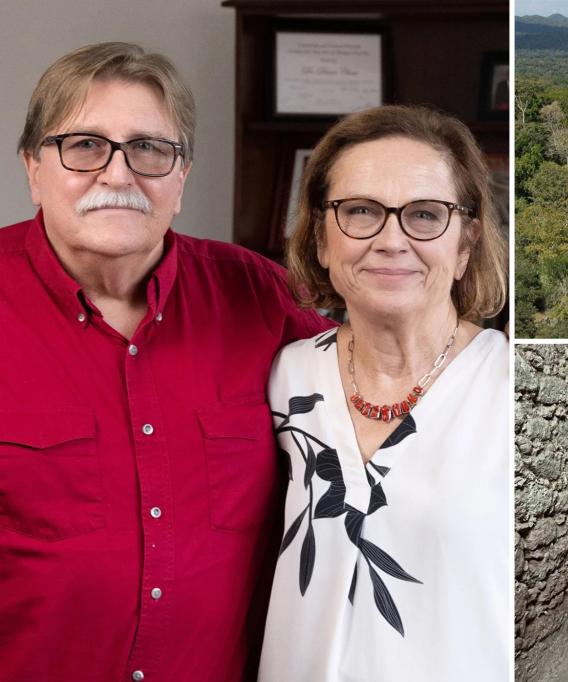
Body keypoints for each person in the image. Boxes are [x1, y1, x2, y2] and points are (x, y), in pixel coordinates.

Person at [0, 43, 332, 682]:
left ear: (180, 178)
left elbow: (391, 382)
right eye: (85, 145)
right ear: (33, 168)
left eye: (150, 149)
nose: (119, 175)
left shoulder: (260, 297)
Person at [257, 105, 509, 681]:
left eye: (425, 214)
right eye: (361, 211)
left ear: (466, 243)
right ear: (320, 237)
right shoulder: (284, 380)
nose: (391, 240)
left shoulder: (511, 386)